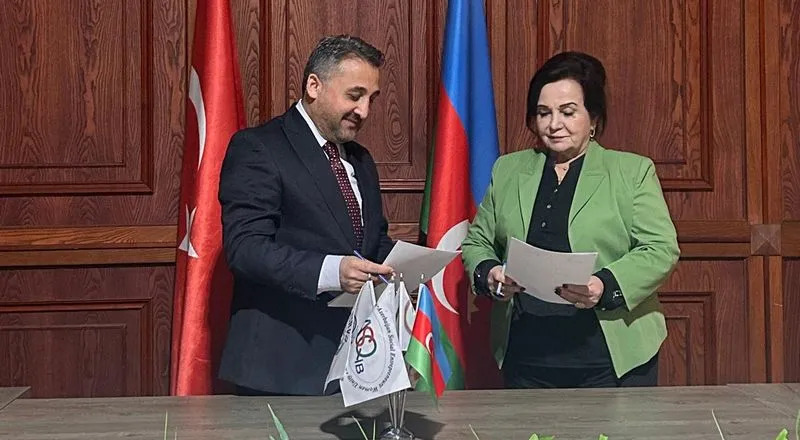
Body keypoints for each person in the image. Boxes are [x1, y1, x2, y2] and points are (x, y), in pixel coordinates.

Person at [461, 51, 680, 388]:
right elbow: (477, 241)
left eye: (567, 112)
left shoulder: (632, 171)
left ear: (593, 119)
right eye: (543, 113)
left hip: (610, 359)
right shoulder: (508, 170)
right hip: (526, 356)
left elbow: (660, 248)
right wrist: (490, 273)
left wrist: (603, 285)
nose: (554, 124)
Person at [218, 35, 395, 396]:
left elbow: (371, 242)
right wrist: (332, 272)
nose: (364, 111)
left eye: (371, 99)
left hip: (355, 364)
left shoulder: (361, 160)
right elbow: (246, 249)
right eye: (354, 95)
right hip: (279, 369)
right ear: (314, 86)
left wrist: (409, 265)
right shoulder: (258, 147)